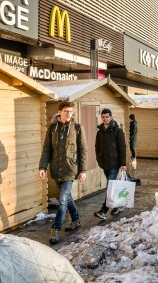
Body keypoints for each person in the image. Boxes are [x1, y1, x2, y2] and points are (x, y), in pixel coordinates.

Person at [38, 101, 88, 244]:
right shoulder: (52, 128)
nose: (68, 113)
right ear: (59, 112)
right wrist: (42, 167)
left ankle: (55, 229)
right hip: (56, 170)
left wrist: (83, 170)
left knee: (62, 200)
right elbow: (47, 149)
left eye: (70, 111)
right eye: (66, 111)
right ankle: (76, 220)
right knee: (67, 198)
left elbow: (83, 150)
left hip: (71, 169)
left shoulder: (77, 128)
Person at [94, 109, 127, 220]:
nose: (105, 119)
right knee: (113, 187)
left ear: (111, 117)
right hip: (105, 164)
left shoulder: (118, 131)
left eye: (107, 117)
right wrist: (99, 159)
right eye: (103, 117)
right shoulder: (100, 132)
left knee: (110, 188)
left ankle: (103, 210)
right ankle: (118, 206)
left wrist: (123, 163)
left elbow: (122, 148)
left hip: (115, 164)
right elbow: (97, 147)